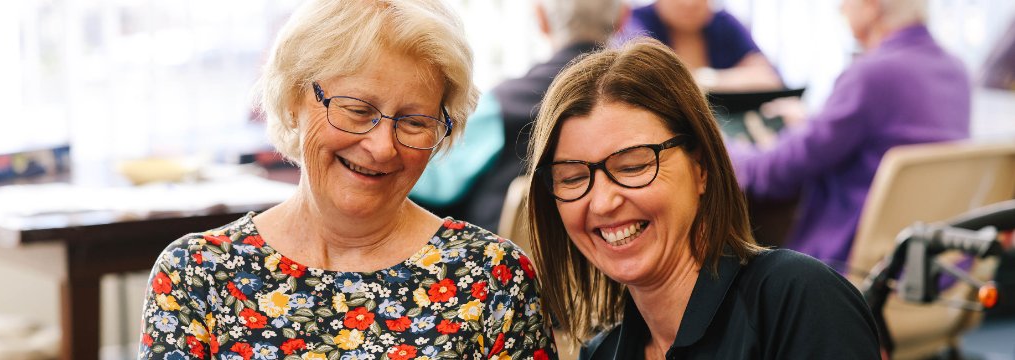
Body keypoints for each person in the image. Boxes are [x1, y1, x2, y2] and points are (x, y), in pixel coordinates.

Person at [137, 1, 557, 359]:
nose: (382, 147)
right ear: (293, 97)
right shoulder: (196, 276)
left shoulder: (493, 277)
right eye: (357, 110)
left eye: (414, 122)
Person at [524, 38, 881, 359]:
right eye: (572, 178)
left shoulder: (799, 302)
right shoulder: (601, 353)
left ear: (702, 168)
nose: (602, 203)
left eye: (633, 166)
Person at [729, 0, 971, 271]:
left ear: (871, 6)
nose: (840, 9)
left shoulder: (871, 75)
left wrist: (728, 150)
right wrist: (812, 124)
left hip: (852, 264)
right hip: (932, 263)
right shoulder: (955, 70)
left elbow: (778, 170)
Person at [410, 0, 628, 232]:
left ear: (541, 20)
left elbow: (436, 186)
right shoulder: (640, 99)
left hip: (504, 259)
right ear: (623, 19)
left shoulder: (502, 105)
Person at [617, 0, 781, 92]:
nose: (689, 3)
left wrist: (705, 78)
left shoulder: (723, 22)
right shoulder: (636, 23)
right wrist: (734, 79)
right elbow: (653, 80)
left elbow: (768, 78)